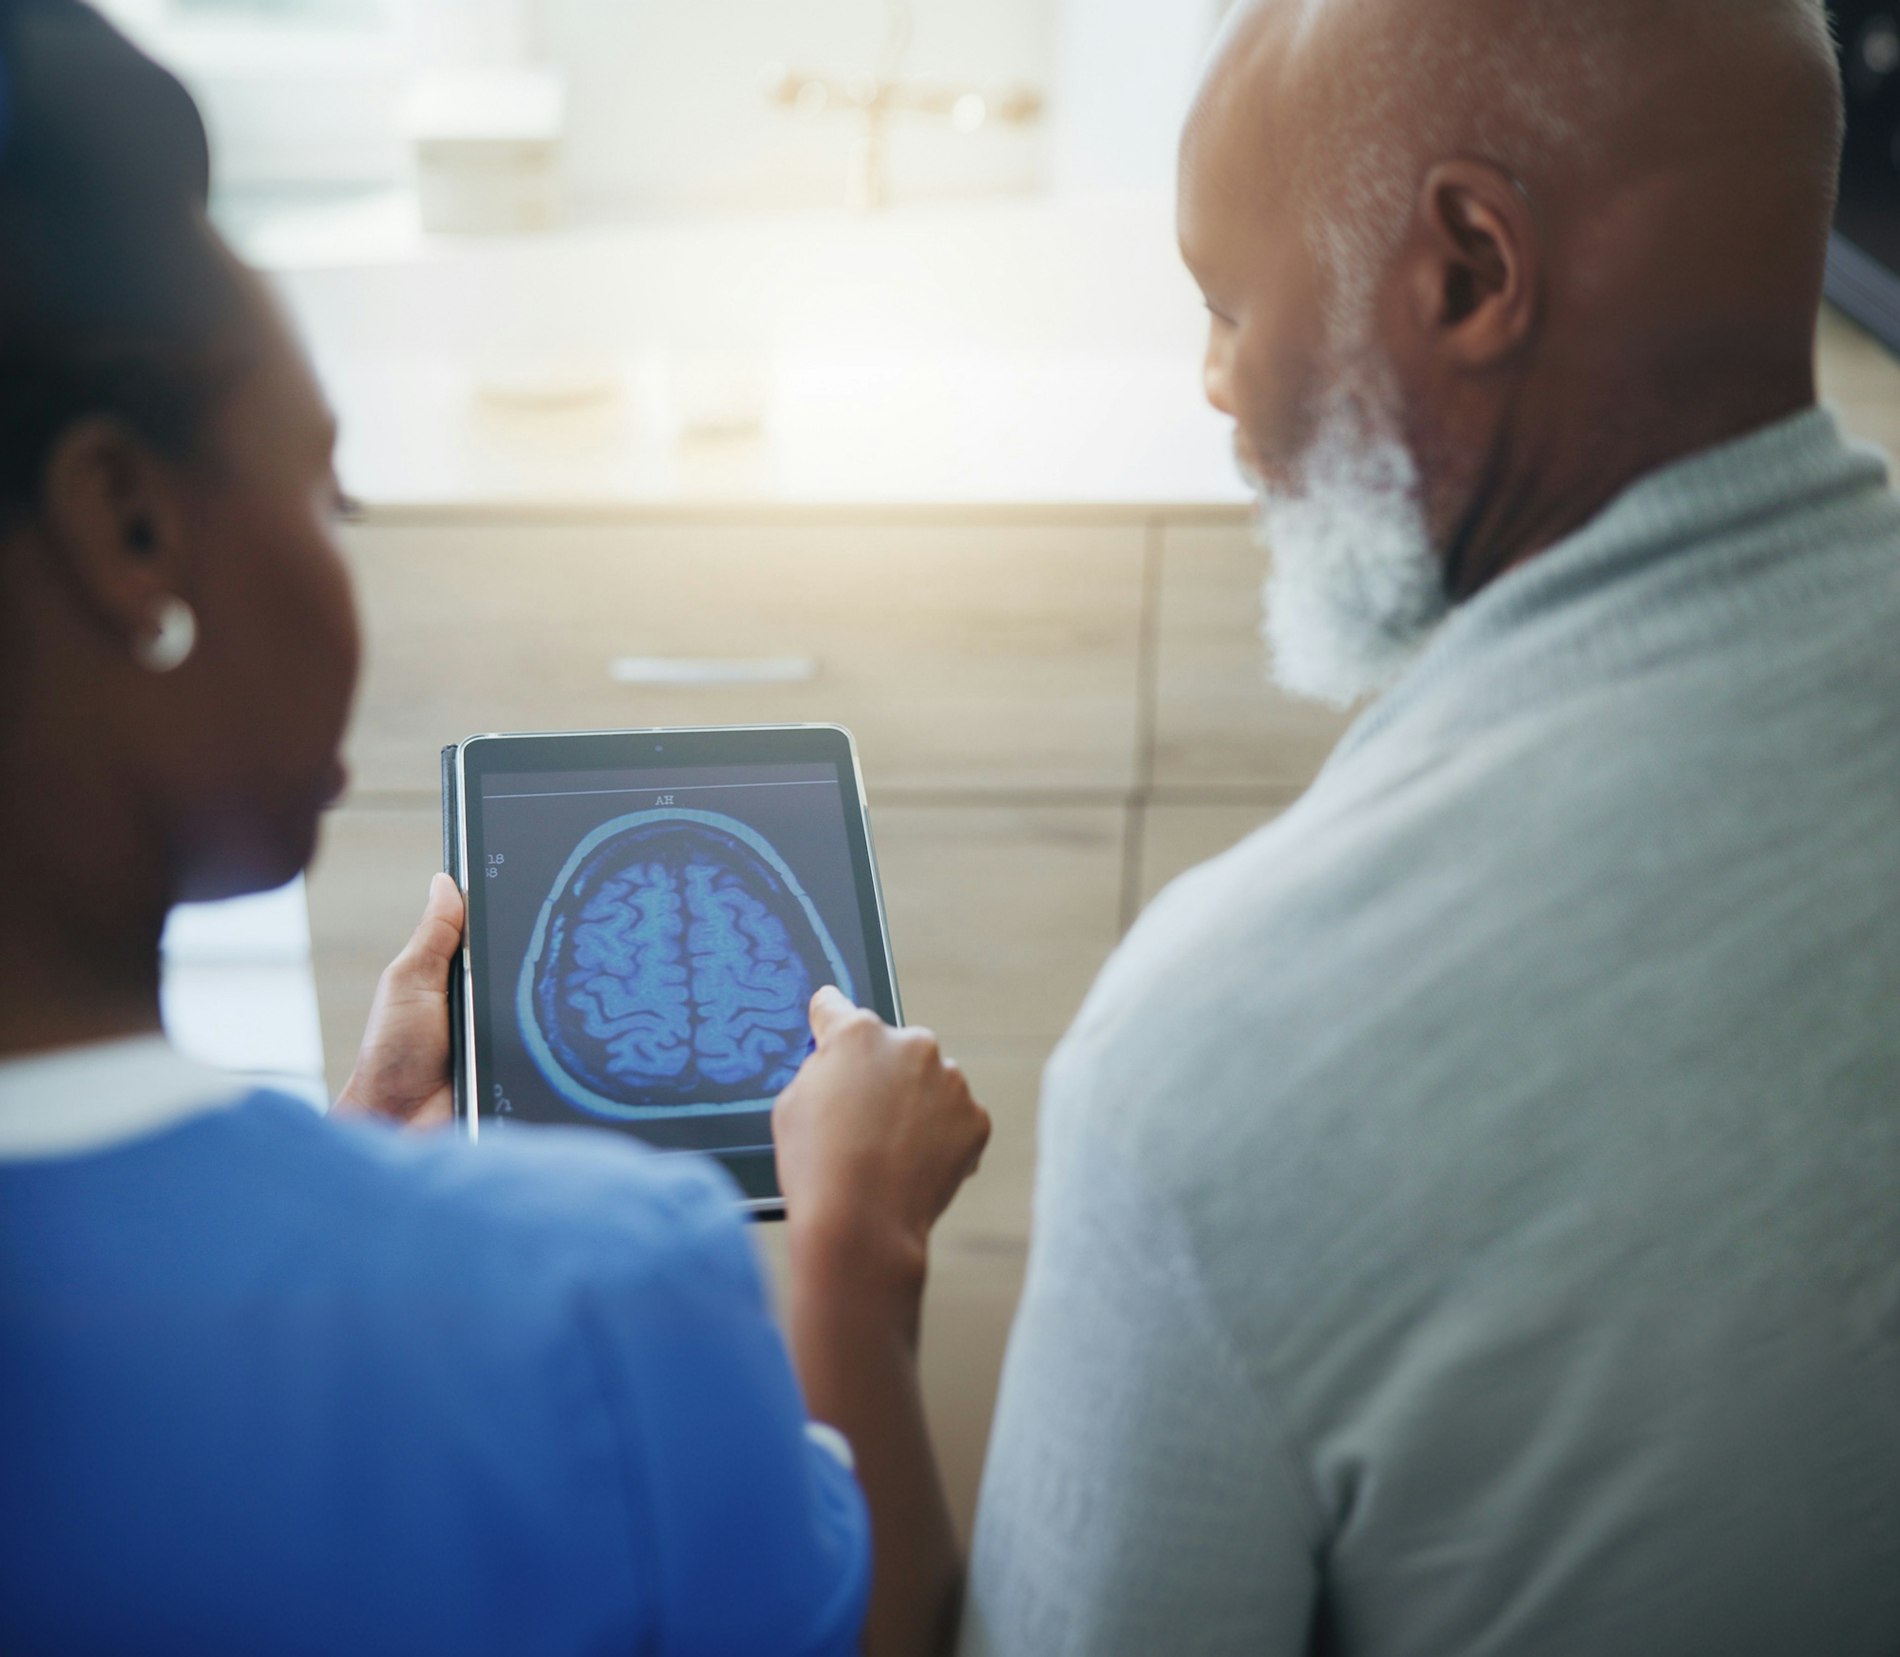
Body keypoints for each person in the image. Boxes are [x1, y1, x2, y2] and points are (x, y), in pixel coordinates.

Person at [0, 4, 988, 1653]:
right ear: (128, 524)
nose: (339, 557)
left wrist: (354, 1149)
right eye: (330, 491)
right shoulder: (595, 1287)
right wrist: (856, 1254)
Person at [962, 1, 1900, 1653]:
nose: (1217, 386)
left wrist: (850, 1272)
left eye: (1229, 304)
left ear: (1470, 270)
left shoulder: (1210, 1061)